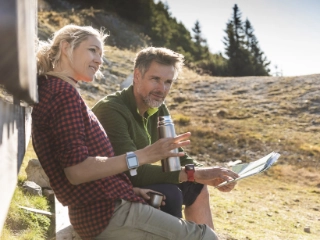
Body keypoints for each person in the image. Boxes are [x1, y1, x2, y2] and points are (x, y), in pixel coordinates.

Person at [31, 24, 234, 240]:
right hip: (105, 214)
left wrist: (128, 191)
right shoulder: (64, 95)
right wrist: (145, 156)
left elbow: (89, 167)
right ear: (65, 47)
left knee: (185, 198)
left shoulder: (62, 91)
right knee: (205, 236)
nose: (99, 60)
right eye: (93, 50)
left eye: (101, 54)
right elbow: (77, 171)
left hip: (110, 204)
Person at [92, 47, 239, 228]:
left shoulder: (157, 107)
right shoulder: (112, 110)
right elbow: (131, 172)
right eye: (155, 79)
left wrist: (211, 174)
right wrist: (194, 174)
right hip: (111, 191)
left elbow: (176, 154)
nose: (162, 89)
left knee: (196, 185)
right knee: (170, 193)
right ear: (137, 76)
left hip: (133, 181)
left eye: (168, 82)